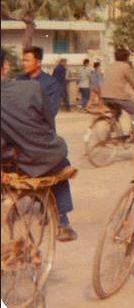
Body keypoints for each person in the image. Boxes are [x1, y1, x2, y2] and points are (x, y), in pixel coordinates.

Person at [1, 48, 78, 241]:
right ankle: (62, 220)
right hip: (40, 152)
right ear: (6, 66)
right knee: (60, 158)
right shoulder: (31, 88)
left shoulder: (44, 83)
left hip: (11, 157)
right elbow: (48, 122)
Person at [101, 48, 134, 127]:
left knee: (117, 113)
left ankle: (110, 130)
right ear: (126, 57)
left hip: (105, 96)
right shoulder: (125, 66)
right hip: (117, 96)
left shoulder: (109, 66)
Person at [18, 46, 60, 127]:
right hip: (22, 131)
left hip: (43, 132)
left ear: (38, 62)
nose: (24, 64)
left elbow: (51, 111)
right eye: (23, 60)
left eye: (27, 61)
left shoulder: (51, 83)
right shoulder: (19, 80)